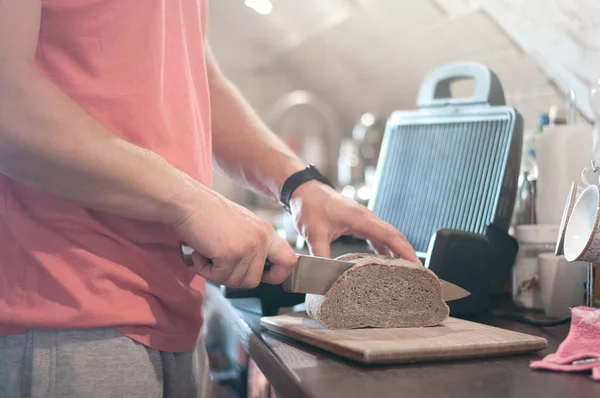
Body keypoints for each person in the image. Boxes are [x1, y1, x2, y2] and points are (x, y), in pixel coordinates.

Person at [0, 1, 417, 397]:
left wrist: (300, 185)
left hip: (174, 311)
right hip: (62, 317)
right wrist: (194, 203)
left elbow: (199, 80)